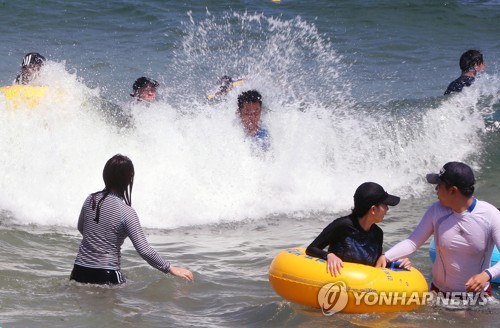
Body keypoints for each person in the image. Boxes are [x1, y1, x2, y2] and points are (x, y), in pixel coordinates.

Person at [70, 154, 193, 285]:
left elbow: (81, 227)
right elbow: (144, 250)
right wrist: (170, 268)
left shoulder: (91, 199)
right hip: (107, 275)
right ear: (128, 180)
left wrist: (98, 241)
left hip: (78, 272)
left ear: (105, 175)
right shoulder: (126, 212)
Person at [381, 162, 500, 294]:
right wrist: (386, 257)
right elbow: (412, 242)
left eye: (439, 185)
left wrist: (487, 275)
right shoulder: (436, 210)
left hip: (476, 298)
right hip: (439, 295)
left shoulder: (490, 215)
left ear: (453, 190)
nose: (435, 189)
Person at [306, 182, 408, 277]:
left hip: (362, 287)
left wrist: (397, 264)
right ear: (373, 209)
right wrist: (329, 255)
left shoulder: (377, 234)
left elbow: (376, 265)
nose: (387, 209)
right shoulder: (342, 225)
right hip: (337, 282)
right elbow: (312, 248)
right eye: (384, 204)